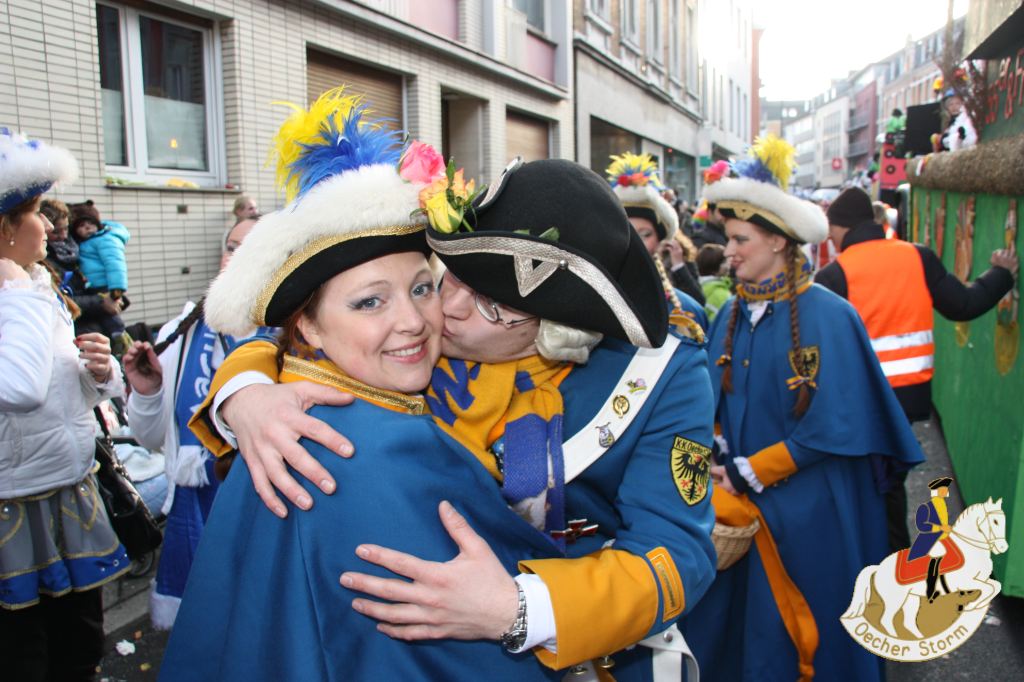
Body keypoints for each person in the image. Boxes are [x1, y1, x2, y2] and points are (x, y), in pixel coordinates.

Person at [184, 117, 716, 678]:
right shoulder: (418, 342)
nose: (445, 310)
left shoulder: (661, 378)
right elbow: (301, 335)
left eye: (491, 304)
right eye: (452, 275)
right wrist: (244, 394)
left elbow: (679, 556)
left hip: (582, 653)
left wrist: (518, 608)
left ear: (560, 327)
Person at [160, 93, 567, 681]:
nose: (412, 321)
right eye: (370, 301)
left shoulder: (311, 403)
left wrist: (242, 389)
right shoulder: (367, 446)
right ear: (307, 326)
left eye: (421, 288)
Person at [682, 137, 924, 682]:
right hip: (740, 506)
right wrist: (718, 453)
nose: (730, 250)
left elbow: (837, 423)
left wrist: (749, 471)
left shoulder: (831, 317)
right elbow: (708, 400)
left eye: (741, 239)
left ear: (777, 240)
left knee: (811, 629)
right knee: (742, 634)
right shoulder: (731, 314)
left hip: (814, 509)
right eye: (728, 238)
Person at [817, 187, 1017, 550]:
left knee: (872, 490)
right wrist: (1001, 275)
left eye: (831, 232)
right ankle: (890, 559)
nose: (830, 240)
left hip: (862, 400)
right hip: (908, 398)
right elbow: (963, 304)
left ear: (841, 227)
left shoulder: (834, 275)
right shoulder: (917, 256)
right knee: (889, 484)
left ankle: (886, 561)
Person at [0, 129, 128, 681]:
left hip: (64, 486)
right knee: (24, 653)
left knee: (79, 643)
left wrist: (99, 372)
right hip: (14, 505)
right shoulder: (19, 293)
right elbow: (21, 389)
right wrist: (14, 291)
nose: (52, 226)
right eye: (36, 213)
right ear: (4, 229)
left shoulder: (34, 285)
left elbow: (56, 386)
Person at [121, 217, 257, 629]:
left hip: (265, 515)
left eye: (252, 248)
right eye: (231, 247)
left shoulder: (297, 335)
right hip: (197, 513)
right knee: (204, 634)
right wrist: (147, 392)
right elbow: (152, 438)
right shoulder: (182, 332)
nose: (236, 257)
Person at [606, 151, 707, 311]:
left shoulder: (685, 306)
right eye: (626, 233)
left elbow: (698, 301)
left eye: (645, 235)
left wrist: (679, 266)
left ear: (660, 240)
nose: (635, 243)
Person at [69, 200, 130, 345]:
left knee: (110, 315)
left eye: (90, 224)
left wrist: (116, 290)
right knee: (103, 316)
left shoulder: (105, 240)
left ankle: (119, 337)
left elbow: (115, 265)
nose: (87, 228)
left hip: (105, 286)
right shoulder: (86, 242)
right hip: (92, 286)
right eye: (81, 226)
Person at [907, 477, 955, 602]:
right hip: (930, 542)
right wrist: (940, 528)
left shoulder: (942, 505)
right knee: (933, 567)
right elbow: (921, 525)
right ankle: (929, 592)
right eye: (943, 489)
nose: (946, 491)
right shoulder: (926, 507)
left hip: (942, 540)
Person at [696, 243, 732, 321]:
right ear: (715, 265)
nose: (728, 265)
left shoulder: (697, 286)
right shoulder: (721, 294)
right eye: (724, 262)